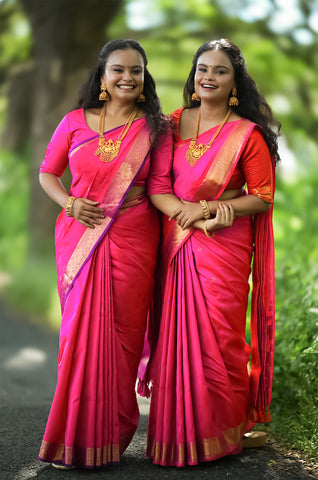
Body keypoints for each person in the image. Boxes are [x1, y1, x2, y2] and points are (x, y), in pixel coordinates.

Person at [38, 39, 173, 470]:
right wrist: (70, 203)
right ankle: (72, 437)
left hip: (135, 236)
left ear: (145, 76)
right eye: (118, 70)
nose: (127, 78)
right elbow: (48, 173)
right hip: (80, 236)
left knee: (124, 339)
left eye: (136, 70)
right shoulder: (75, 122)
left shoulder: (156, 129)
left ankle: (108, 439)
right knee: (79, 335)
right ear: (102, 77)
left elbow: (164, 186)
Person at [145, 38, 281, 467]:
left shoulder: (247, 134)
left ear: (234, 81)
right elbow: (156, 187)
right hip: (179, 242)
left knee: (221, 339)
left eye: (220, 71)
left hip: (224, 245)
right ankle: (176, 434)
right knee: (175, 338)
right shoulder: (170, 123)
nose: (209, 77)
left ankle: (221, 434)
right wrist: (190, 215)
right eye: (203, 68)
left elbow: (261, 196)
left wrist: (207, 210)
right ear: (193, 74)